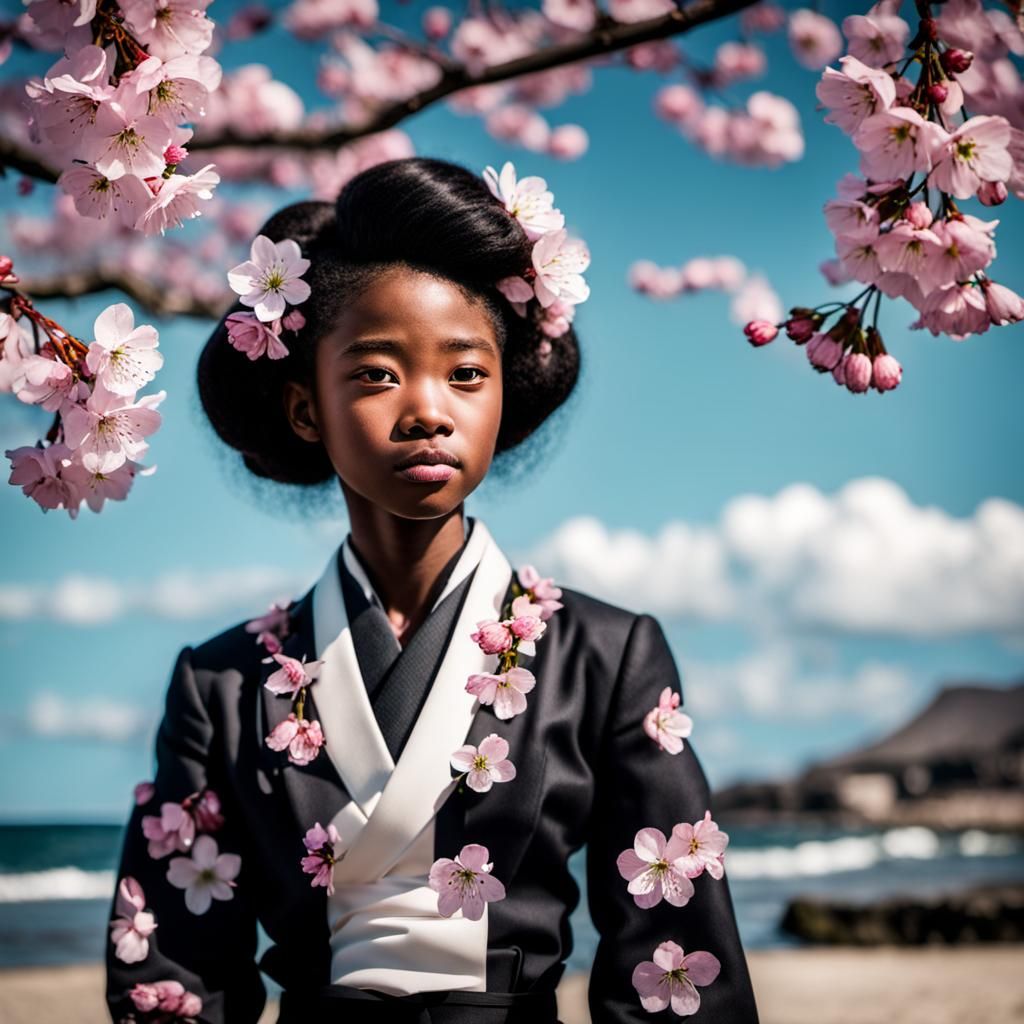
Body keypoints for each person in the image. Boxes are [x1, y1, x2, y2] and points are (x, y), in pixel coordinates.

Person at [104, 156, 760, 1024]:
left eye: (467, 374)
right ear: (306, 409)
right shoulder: (220, 685)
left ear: (505, 393)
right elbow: (177, 981)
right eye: (377, 373)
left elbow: (676, 960)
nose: (428, 410)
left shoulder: (607, 657)